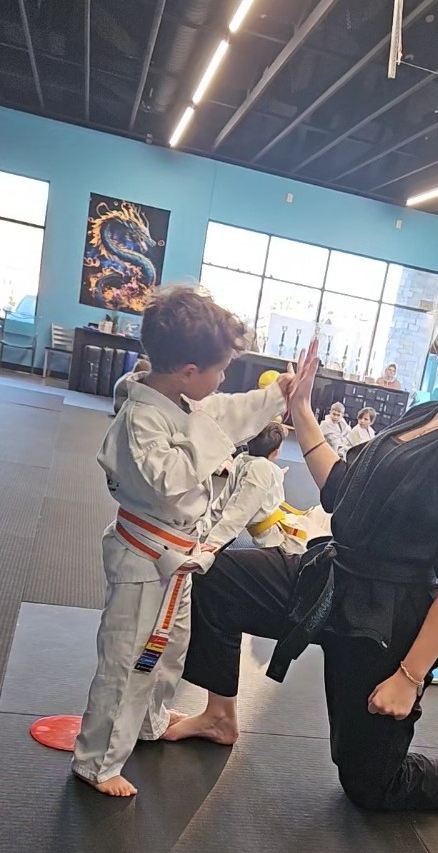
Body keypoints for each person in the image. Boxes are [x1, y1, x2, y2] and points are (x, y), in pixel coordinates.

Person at [171, 274, 438, 813]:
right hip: (330, 577)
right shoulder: (430, 411)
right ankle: (219, 717)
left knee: (372, 785)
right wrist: (302, 409)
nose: (435, 349)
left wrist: (409, 676)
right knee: (216, 578)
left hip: (385, 621)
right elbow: (341, 488)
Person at [71, 286, 292, 797]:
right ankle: (97, 762)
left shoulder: (180, 399)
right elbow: (168, 479)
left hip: (177, 557)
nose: (223, 381)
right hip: (145, 557)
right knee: (127, 661)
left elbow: (230, 412)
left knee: (169, 649)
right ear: (189, 371)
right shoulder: (141, 419)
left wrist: (280, 393)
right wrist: (212, 438)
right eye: (221, 369)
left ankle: (149, 721)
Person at [205, 421, 330, 553]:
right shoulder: (261, 470)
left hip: (280, 523)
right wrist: (214, 543)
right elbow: (240, 512)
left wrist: (206, 525)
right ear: (276, 452)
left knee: (322, 513)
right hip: (279, 538)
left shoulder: (243, 460)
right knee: (326, 541)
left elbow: (226, 501)